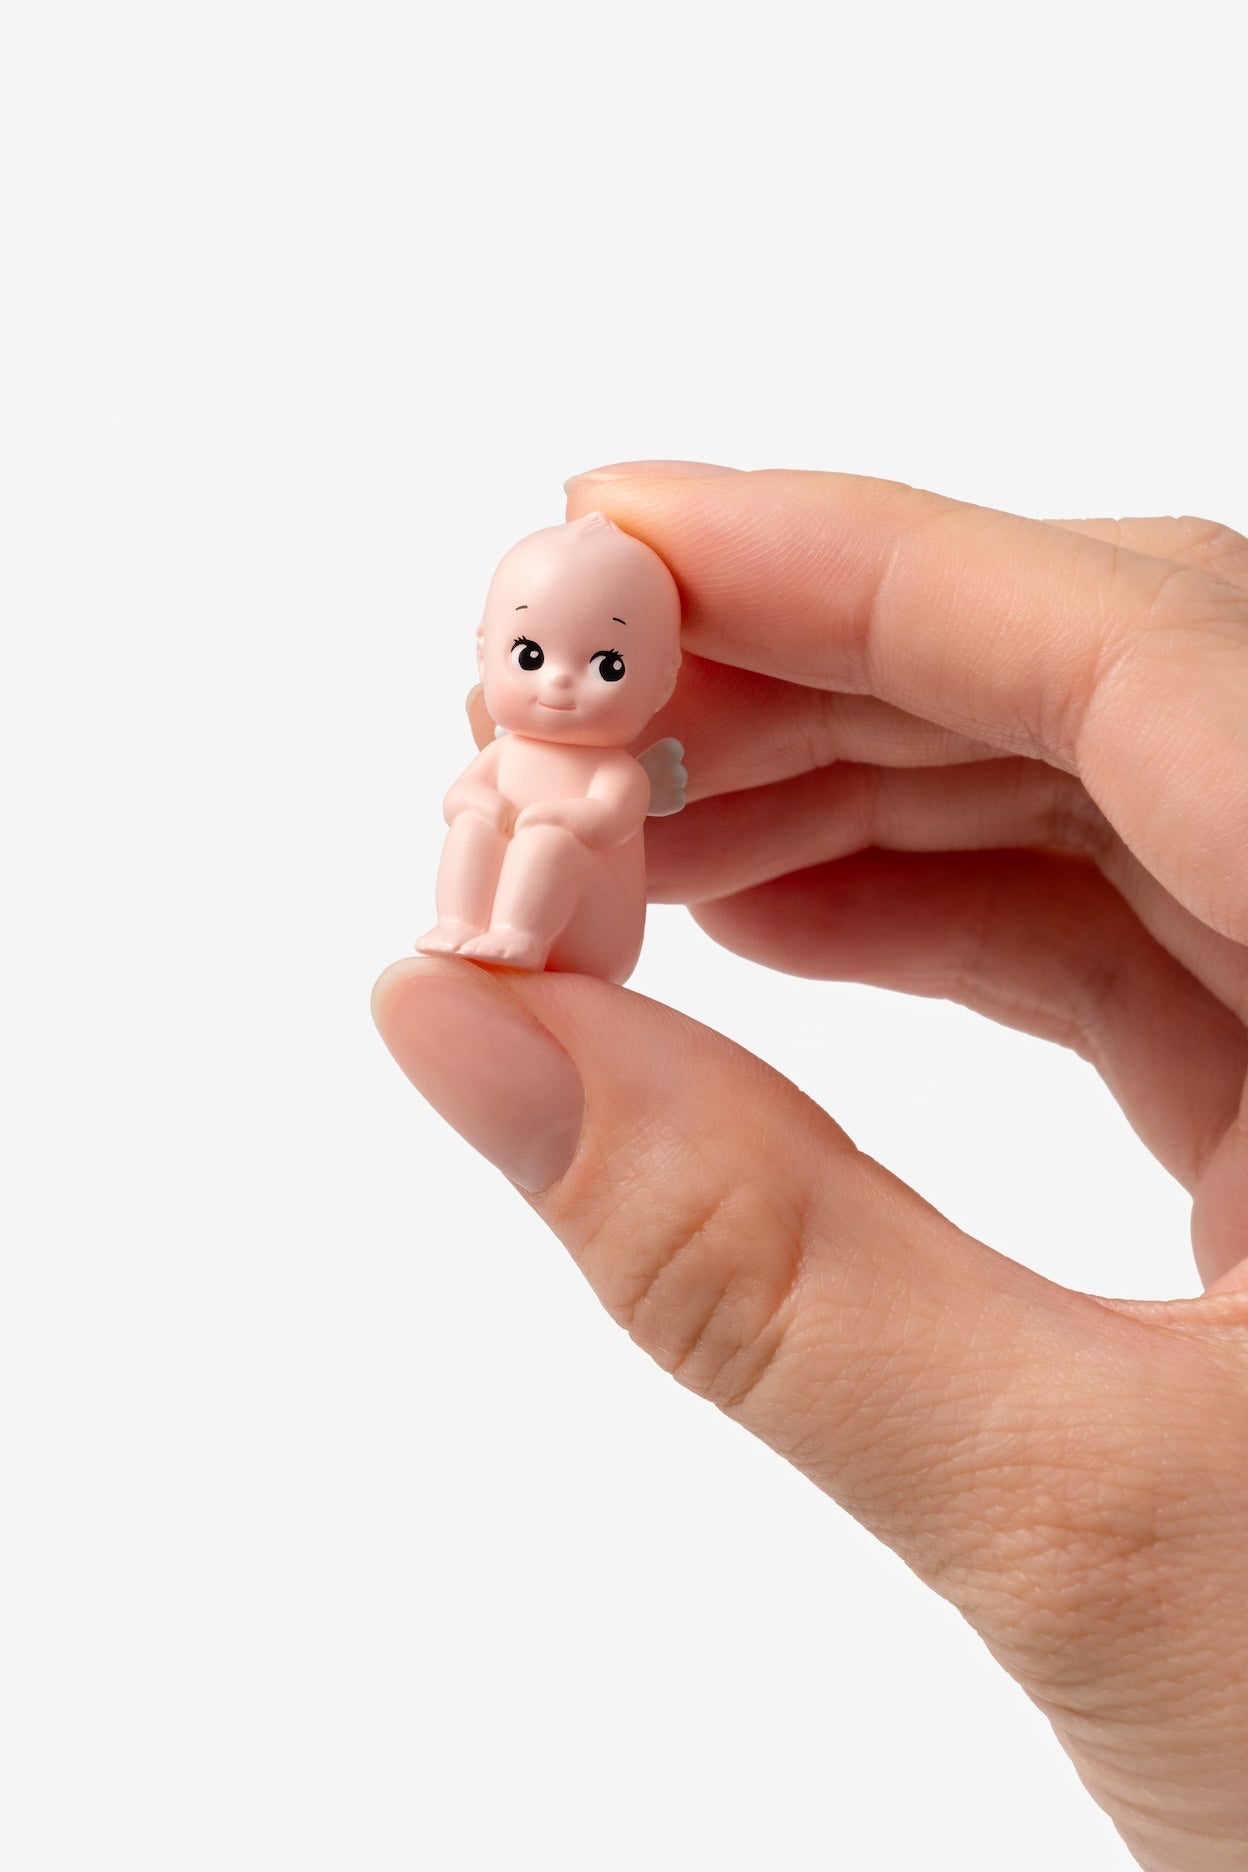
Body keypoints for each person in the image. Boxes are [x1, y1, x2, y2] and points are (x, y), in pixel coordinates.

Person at [372, 462, 1248, 1870]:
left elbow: (585, 820)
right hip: (531, 892)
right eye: (528, 656)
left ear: (657, 682)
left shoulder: (600, 780)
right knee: (488, 827)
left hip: (583, 940)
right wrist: (480, 817)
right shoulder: (517, 752)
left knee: (525, 840)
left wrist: (537, 821)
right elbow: (475, 799)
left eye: (604, 665)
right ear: (483, 656)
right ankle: (476, 933)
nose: (561, 687)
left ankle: (493, 944)